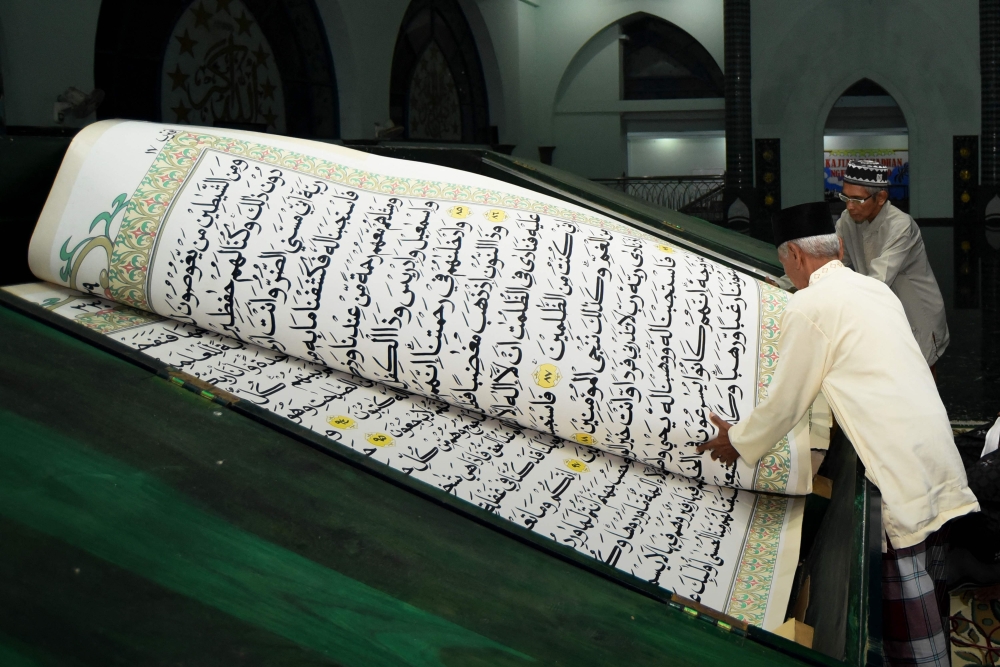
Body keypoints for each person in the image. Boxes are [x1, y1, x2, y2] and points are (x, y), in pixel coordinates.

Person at [699, 201, 978, 666]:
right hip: (934, 455)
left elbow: (787, 399)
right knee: (932, 588)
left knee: (911, 626)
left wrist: (739, 440)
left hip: (895, 472)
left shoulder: (811, 305)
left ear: (793, 255)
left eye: (784, 263)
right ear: (840, 247)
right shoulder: (873, 290)